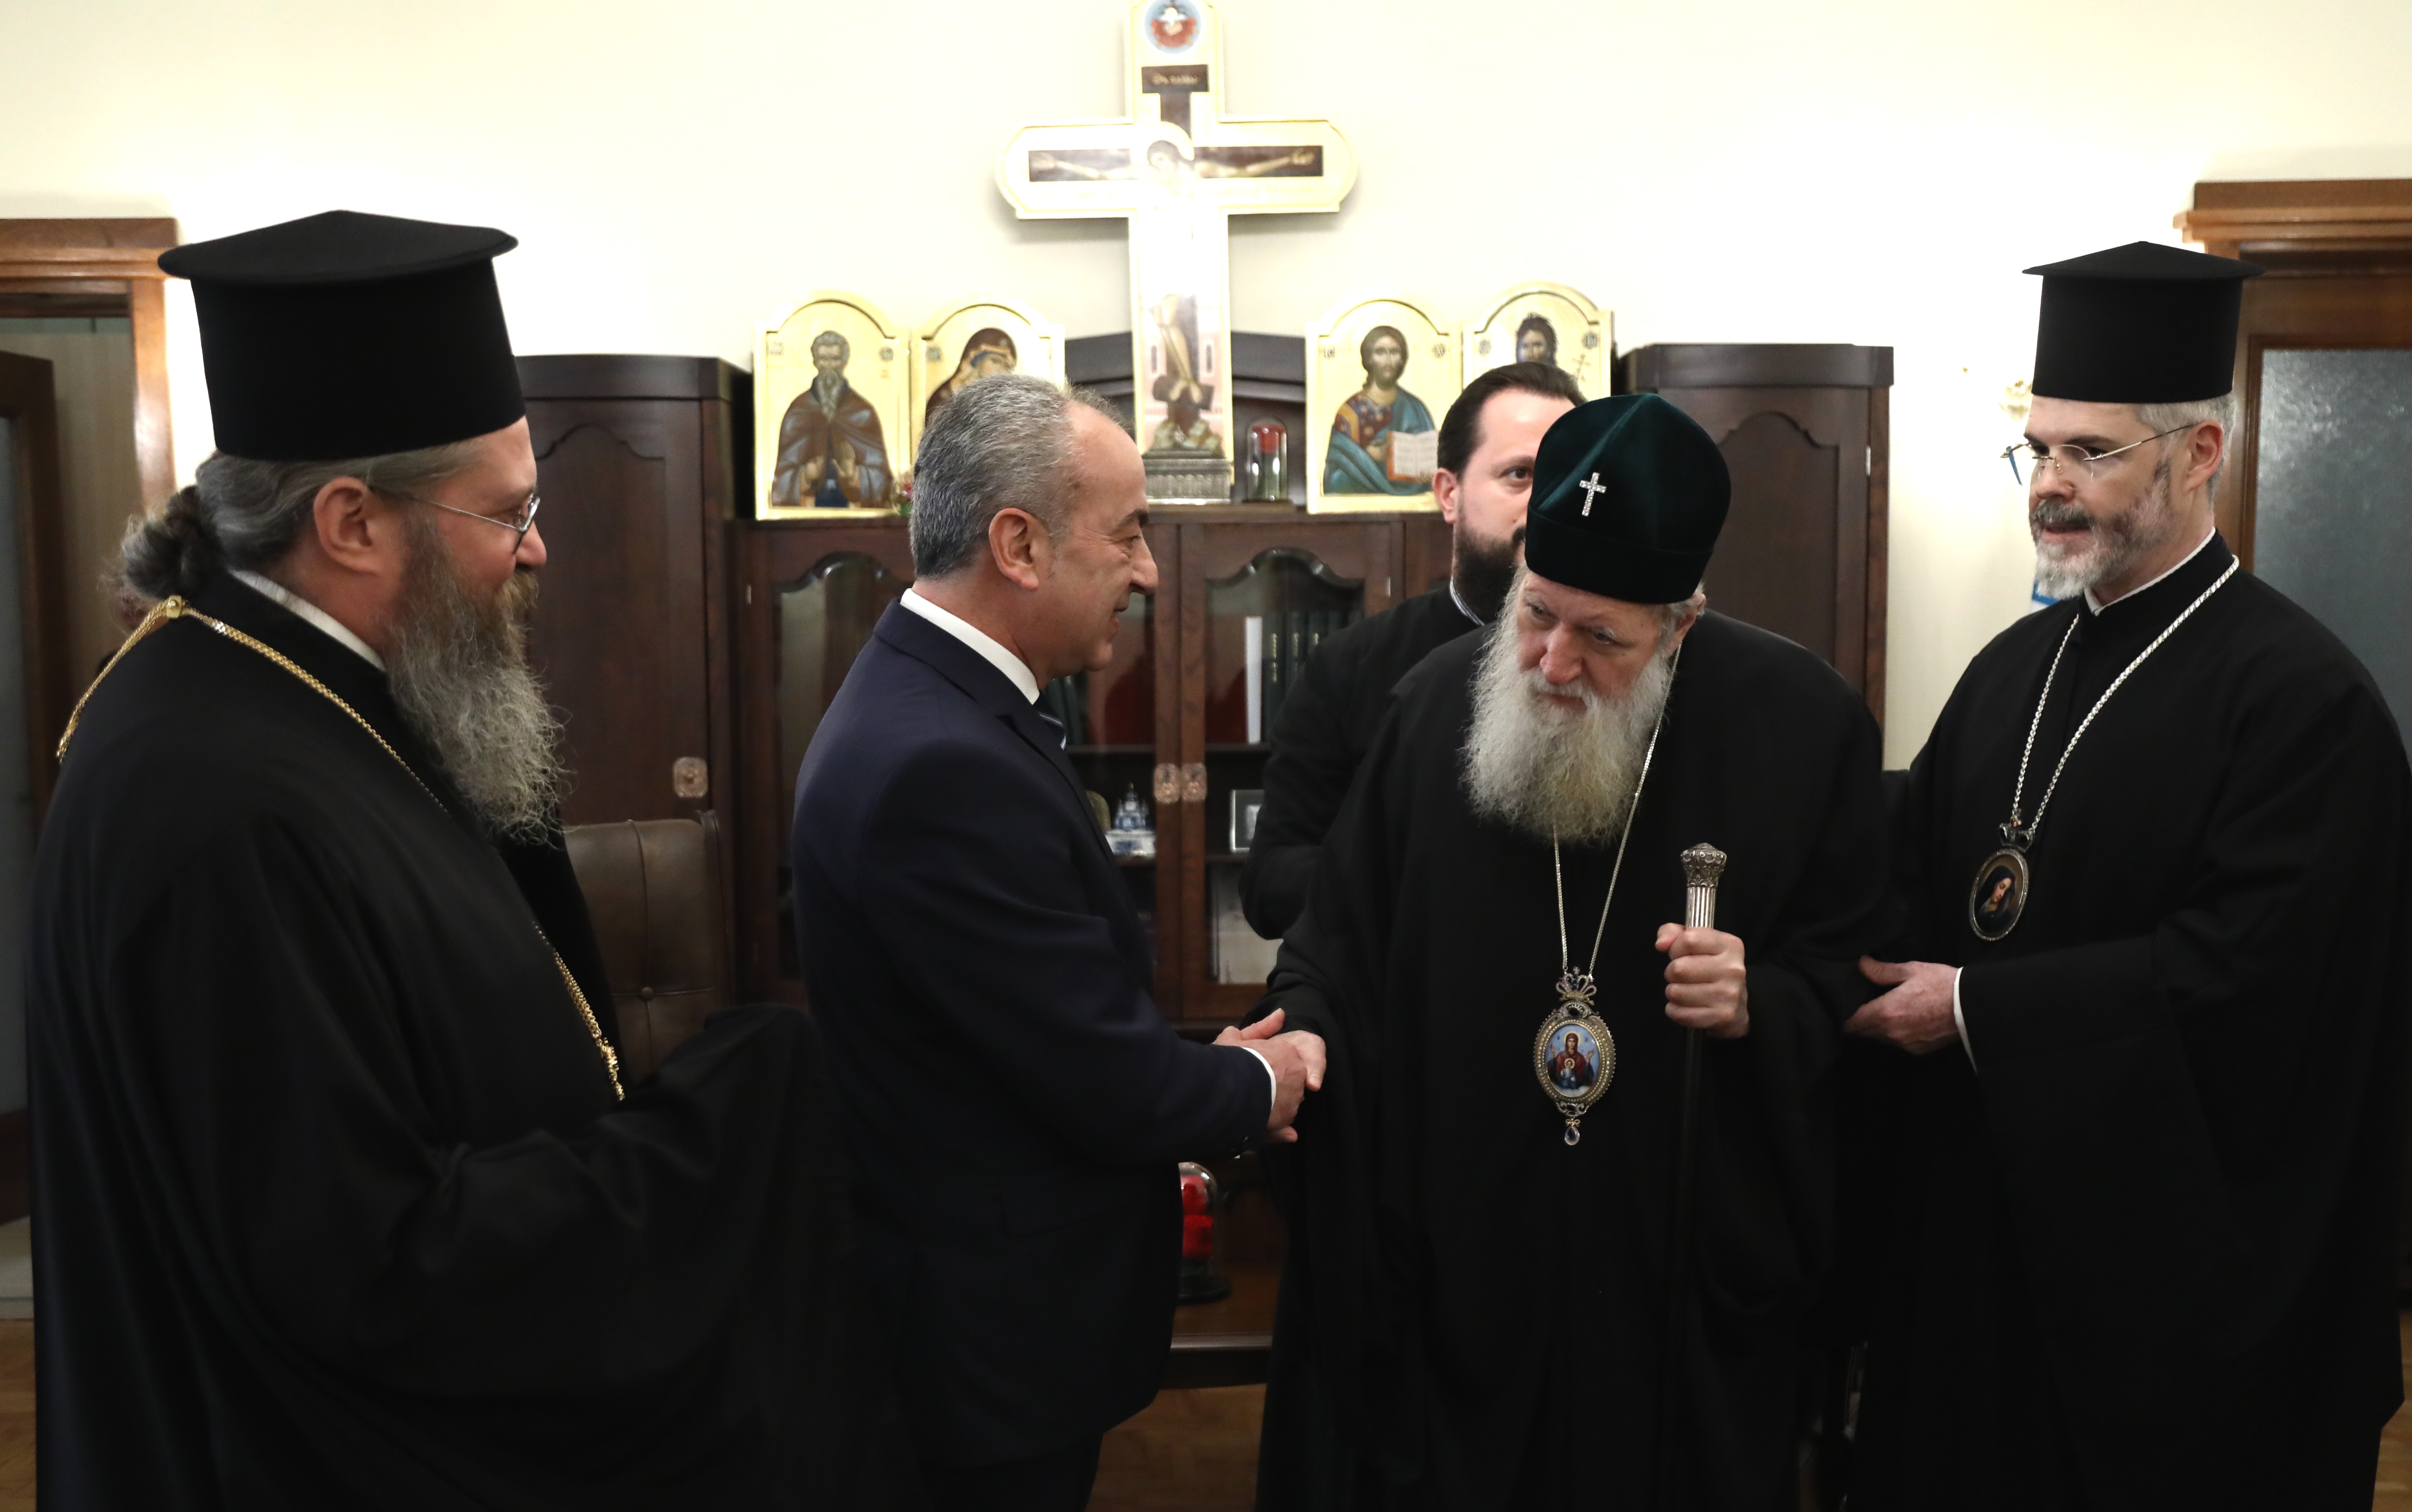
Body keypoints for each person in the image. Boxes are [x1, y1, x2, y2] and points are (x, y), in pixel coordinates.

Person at [29, 210, 907, 1509]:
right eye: (506, 512)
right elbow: (364, 1265)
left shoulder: (314, 688)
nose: (537, 546)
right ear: (350, 521)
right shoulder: (212, 796)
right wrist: (732, 1123)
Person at [1846, 242, 2412, 1509]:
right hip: (1978, 1248)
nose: (2049, 485)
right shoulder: (2010, 667)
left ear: (2196, 452)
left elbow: (2258, 985)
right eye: (2036, 450)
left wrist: (1977, 1008)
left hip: (2160, 1301)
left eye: (2089, 452)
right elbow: (1911, 877)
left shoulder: (2301, 702)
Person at [1253, 393, 1890, 1510]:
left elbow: (1854, 975)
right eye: (1537, 613)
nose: (1551, 661)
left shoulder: (1802, 726)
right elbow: (1336, 944)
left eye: (1602, 638)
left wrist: (1760, 998)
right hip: (1464, 1260)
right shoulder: (1430, 712)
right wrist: (1304, 1030)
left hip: (1674, 1274)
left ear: (1679, 625)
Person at [790, 373, 1328, 1512]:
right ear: (1019, 545)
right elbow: (1098, 1076)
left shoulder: (932, 700)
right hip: (987, 1337)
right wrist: (1257, 1078)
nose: (1147, 570)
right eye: (1126, 533)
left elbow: (1037, 1023)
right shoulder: (941, 761)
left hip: (983, 1310)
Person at [1241, 360, 1582, 938]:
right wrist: (1414, 877)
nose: (1548, 503)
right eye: (1521, 475)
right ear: (1449, 493)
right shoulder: (1349, 667)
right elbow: (1270, 885)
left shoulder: (1627, 661)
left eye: (1569, 478)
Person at [769, 329, 892, 508]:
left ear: (845, 362)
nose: (829, 366)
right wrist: (804, 475)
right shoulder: (798, 410)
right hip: (807, 512)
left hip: (855, 513)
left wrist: (855, 475)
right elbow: (781, 477)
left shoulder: (863, 411)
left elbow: (881, 476)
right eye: (823, 359)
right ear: (815, 361)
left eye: (835, 359)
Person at [1322, 325, 1436, 495]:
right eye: (1380, 352)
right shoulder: (1351, 411)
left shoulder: (1416, 408)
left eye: (1394, 352)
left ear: (1403, 359)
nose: (1388, 360)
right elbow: (1335, 475)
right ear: (1369, 359)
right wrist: (1370, 456)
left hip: (1412, 498)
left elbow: (1432, 465)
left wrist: (1426, 472)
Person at [922, 326, 1017, 425]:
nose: (1000, 370)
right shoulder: (952, 391)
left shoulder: (1007, 399)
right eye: (995, 361)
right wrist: (956, 385)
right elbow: (935, 424)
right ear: (977, 362)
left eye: (1006, 366)